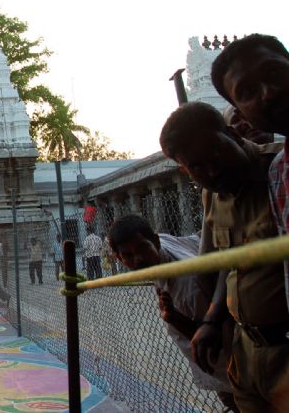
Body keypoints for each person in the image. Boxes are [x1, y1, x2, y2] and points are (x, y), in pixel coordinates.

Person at [160, 101, 288, 411]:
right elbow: (227, 264)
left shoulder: (280, 173)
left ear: (231, 132)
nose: (212, 170)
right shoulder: (212, 192)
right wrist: (212, 320)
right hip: (245, 350)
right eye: (197, 166)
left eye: (216, 151)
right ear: (184, 169)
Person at [107, 215, 237, 411]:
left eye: (143, 248)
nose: (138, 259)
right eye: (128, 255)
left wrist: (174, 318)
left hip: (231, 374)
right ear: (118, 258)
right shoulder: (163, 246)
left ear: (156, 241)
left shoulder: (187, 286)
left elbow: (215, 339)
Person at [211, 34, 289, 314]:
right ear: (241, 115)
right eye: (246, 92)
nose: (268, 92)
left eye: (273, 72)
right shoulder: (279, 172)